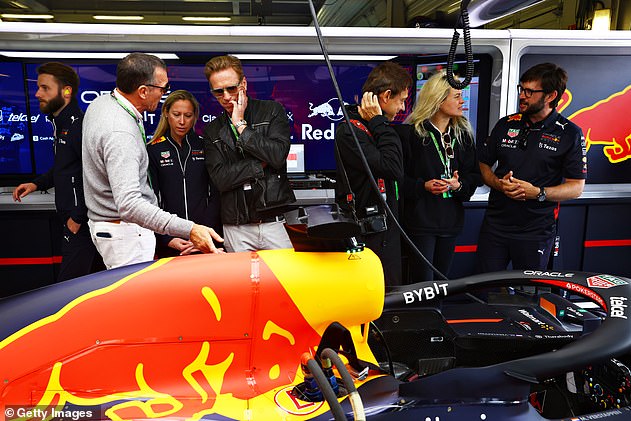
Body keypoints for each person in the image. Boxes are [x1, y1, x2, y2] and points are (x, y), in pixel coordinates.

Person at [82, 52, 223, 270]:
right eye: (163, 89)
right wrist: (189, 229)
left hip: (115, 227)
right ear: (143, 91)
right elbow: (129, 204)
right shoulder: (120, 132)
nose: (165, 94)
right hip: (126, 232)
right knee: (135, 301)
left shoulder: (101, 103)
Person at [476, 62, 587, 272]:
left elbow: (576, 187)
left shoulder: (570, 133)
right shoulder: (506, 124)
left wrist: (538, 193)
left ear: (551, 96)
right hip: (495, 226)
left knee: (528, 294)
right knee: (485, 290)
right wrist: (499, 185)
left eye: (529, 91)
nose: (522, 96)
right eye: (521, 89)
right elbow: (483, 164)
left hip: (536, 231)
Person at [13, 62, 101, 281]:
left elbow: (89, 174)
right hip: (73, 222)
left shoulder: (78, 126)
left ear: (67, 91)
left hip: (81, 225)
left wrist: (77, 218)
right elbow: (65, 167)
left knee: (70, 290)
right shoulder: (61, 124)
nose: (37, 93)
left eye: (45, 88)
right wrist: (36, 184)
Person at [202, 55, 295, 252]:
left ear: (243, 83)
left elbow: (277, 156)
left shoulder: (272, 111)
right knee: (238, 283)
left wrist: (240, 125)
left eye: (231, 88)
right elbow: (220, 179)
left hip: (274, 221)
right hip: (235, 225)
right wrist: (259, 163)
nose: (226, 96)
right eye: (218, 92)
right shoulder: (212, 130)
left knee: (283, 281)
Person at [395, 72, 481, 282]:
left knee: (442, 283)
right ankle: (421, 315)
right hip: (419, 222)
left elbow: (474, 176)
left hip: (451, 222)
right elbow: (396, 180)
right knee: (423, 283)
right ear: (438, 98)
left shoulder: (463, 135)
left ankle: (437, 314)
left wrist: (458, 185)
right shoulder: (409, 134)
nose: (462, 101)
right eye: (457, 96)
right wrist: (422, 186)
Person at [334, 61, 412, 287]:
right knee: (376, 291)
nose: (402, 109)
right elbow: (391, 167)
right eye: (401, 101)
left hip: (389, 226)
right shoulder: (350, 131)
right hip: (369, 231)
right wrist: (379, 122)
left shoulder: (377, 127)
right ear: (386, 96)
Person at [147, 90, 222, 258]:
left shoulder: (205, 146)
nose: (182, 121)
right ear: (166, 113)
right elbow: (151, 199)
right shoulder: (153, 149)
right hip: (171, 240)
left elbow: (216, 194)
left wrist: (203, 233)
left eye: (188, 115)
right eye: (176, 114)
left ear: (194, 116)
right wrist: (166, 238)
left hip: (206, 237)